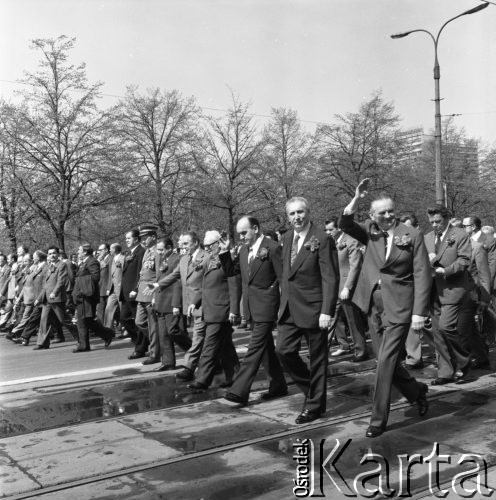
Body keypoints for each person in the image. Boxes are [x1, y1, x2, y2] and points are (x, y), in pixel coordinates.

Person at [339, 179, 431, 437]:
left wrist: (418, 313)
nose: (388, 216)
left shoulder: (412, 234)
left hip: (400, 306)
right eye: (382, 213)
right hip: (372, 304)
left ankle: (377, 420)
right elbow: (344, 224)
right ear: (372, 216)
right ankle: (415, 391)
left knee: (385, 363)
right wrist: (356, 198)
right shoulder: (369, 231)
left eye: (391, 211)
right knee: (384, 360)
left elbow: (422, 274)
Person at [275, 196, 339, 424]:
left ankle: (313, 406)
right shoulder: (286, 238)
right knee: (283, 351)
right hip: (289, 309)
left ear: (309, 212)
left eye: (300, 212)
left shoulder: (322, 239)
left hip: (314, 309)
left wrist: (326, 310)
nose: (296, 217)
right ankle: (313, 391)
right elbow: (286, 274)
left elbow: (330, 277)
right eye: (292, 214)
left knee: (318, 359)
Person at [220, 216, 287, 405]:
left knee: (254, 348)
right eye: (239, 234)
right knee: (266, 349)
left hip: (267, 306)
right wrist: (225, 253)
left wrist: (283, 308)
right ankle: (278, 385)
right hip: (251, 307)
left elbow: (283, 279)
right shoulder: (243, 250)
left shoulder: (272, 247)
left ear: (255, 229)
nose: (241, 237)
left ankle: (239, 391)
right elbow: (233, 274)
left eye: (244, 232)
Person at [187, 230, 240, 391]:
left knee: (209, 347)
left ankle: (202, 380)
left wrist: (234, 310)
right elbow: (206, 285)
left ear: (218, 244)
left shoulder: (227, 259)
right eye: (206, 246)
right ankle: (236, 376)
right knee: (225, 348)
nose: (207, 248)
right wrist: (195, 302)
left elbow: (234, 284)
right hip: (210, 309)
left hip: (221, 310)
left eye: (210, 245)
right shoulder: (210, 260)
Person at [424, 205, 472, 385]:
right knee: (437, 333)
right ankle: (445, 372)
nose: (435, 225)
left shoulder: (459, 235)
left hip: (452, 288)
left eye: (438, 221)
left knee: (446, 327)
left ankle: (465, 362)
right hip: (432, 290)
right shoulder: (427, 238)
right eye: (432, 222)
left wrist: (446, 270)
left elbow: (464, 260)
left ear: (446, 219)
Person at [152, 231, 208, 381]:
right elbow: (174, 276)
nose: (182, 247)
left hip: (204, 303)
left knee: (198, 337)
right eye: (181, 244)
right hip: (191, 304)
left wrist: (179, 303)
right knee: (213, 340)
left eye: (185, 244)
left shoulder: (206, 257)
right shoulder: (184, 259)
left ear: (195, 242)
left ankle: (189, 368)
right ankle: (221, 365)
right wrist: (157, 285)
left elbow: (207, 283)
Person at [325, 217, 368, 361]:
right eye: (326, 230)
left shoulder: (351, 241)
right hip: (334, 288)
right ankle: (322, 352)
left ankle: (361, 351)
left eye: (331, 229)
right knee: (329, 318)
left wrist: (347, 287)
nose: (328, 232)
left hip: (347, 289)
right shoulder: (331, 242)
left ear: (339, 228)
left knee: (353, 321)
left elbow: (355, 266)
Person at [152, 237, 191, 371]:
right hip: (161, 301)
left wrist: (176, 304)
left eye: (161, 249)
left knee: (173, 331)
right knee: (163, 335)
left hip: (170, 302)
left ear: (169, 248)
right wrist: (154, 297)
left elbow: (177, 283)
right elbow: (159, 279)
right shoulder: (161, 259)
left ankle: (194, 352)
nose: (159, 252)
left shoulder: (177, 259)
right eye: (158, 250)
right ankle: (168, 362)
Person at [72, 244, 114, 352]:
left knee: (84, 320)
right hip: (82, 296)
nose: (78, 252)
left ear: (85, 252)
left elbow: (95, 277)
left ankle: (85, 344)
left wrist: (81, 287)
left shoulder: (92, 261)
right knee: (87, 320)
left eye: (79, 250)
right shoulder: (84, 262)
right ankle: (106, 334)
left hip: (87, 296)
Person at [34, 246, 77, 349]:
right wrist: (38, 298)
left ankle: (81, 337)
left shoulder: (62, 265)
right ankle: (43, 343)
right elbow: (45, 285)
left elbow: (61, 281)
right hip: (47, 299)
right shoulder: (49, 266)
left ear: (58, 254)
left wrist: (54, 292)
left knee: (64, 320)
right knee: (44, 320)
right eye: (49, 254)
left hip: (56, 298)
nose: (52, 255)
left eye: (54, 253)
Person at [134, 225, 160, 365]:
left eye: (145, 237)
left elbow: (158, 275)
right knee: (139, 321)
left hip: (150, 292)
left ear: (153, 237)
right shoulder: (146, 252)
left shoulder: (157, 252)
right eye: (141, 238)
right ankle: (158, 342)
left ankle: (155, 353)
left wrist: (155, 293)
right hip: (142, 292)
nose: (143, 240)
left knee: (153, 325)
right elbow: (143, 272)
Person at [120, 229, 146, 358]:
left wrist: (136, 289)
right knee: (124, 318)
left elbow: (140, 273)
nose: (126, 241)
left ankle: (140, 348)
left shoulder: (141, 251)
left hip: (133, 292)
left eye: (129, 238)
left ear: (136, 239)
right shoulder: (129, 253)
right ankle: (140, 341)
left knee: (138, 321)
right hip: (125, 292)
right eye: (126, 238)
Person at [104, 243, 125, 332]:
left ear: (116, 249)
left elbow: (125, 272)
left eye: (111, 249)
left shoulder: (123, 258)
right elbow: (111, 275)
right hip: (113, 289)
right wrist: (109, 288)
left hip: (121, 289)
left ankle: (125, 329)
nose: (110, 250)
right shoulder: (112, 259)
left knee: (123, 310)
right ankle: (108, 331)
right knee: (108, 308)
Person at [96, 243, 111, 323]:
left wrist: (101, 260)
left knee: (108, 310)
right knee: (100, 309)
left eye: (101, 250)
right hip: (101, 287)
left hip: (107, 288)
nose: (99, 252)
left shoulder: (110, 258)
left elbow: (106, 268)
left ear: (106, 250)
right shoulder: (102, 258)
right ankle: (102, 328)